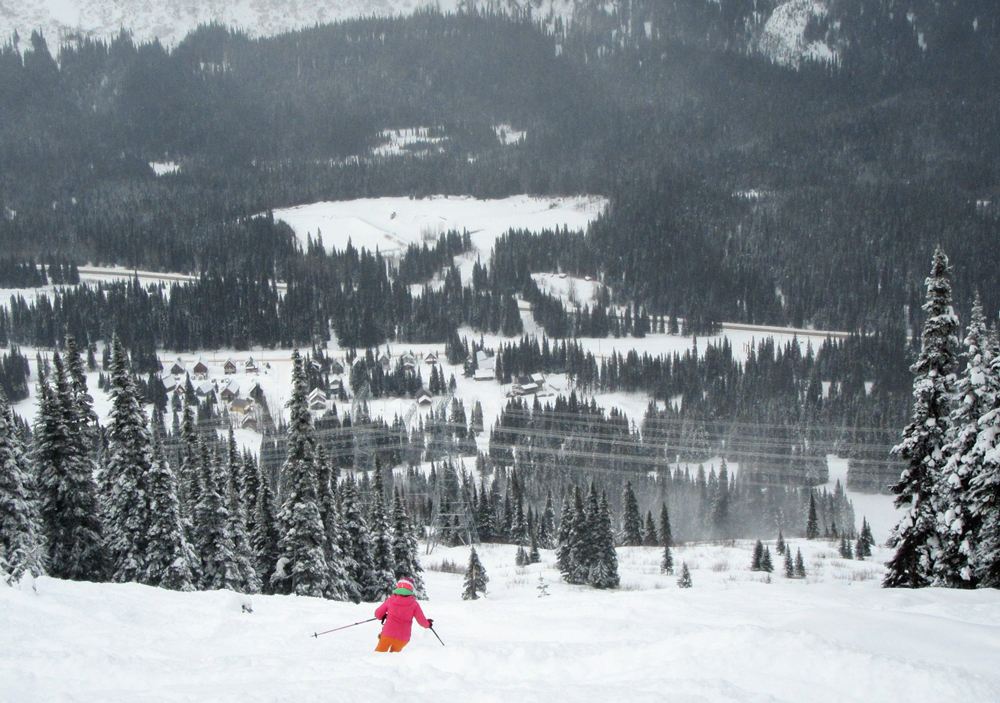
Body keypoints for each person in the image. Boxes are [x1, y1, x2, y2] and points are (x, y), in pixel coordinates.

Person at [373, 578, 432, 652]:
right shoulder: (414, 604)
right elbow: (422, 622)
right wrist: (428, 624)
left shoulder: (390, 600)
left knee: (378, 655)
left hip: (387, 634)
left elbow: (378, 615)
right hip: (403, 638)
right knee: (394, 658)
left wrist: (384, 615)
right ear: (411, 589)